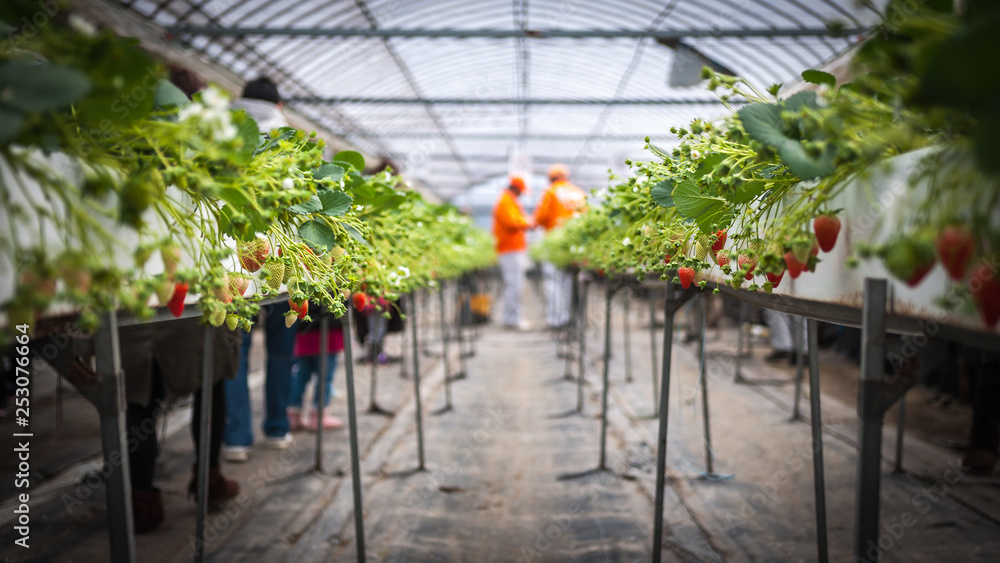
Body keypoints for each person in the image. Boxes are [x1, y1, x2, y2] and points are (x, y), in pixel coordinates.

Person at [223, 77, 296, 461]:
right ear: (278, 105)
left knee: (237, 349)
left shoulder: (219, 130)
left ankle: (236, 439)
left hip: (230, 257)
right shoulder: (287, 138)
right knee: (281, 351)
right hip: (281, 258)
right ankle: (277, 428)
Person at [534, 164, 587, 330]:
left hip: (555, 241)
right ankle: (566, 317)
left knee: (553, 280)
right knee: (567, 281)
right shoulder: (579, 193)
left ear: (551, 178)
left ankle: (556, 320)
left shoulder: (550, 192)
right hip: (573, 243)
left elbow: (540, 217)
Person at [288, 307, 345, 431]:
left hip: (304, 329)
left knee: (301, 375)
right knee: (325, 377)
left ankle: (293, 414)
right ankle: (318, 416)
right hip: (327, 329)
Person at [492, 176, 533, 330]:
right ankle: (512, 319)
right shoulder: (505, 201)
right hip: (509, 249)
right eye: (521, 192)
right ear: (516, 189)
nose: (521, 194)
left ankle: (511, 318)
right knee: (514, 284)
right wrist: (528, 222)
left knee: (515, 284)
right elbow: (511, 222)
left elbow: (515, 218)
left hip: (512, 248)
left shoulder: (509, 201)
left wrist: (525, 221)